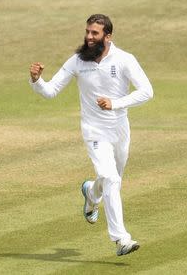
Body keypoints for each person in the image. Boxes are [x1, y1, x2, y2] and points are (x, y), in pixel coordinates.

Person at [29, 14, 153, 256]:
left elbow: (147, 91)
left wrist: (115, 103)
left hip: (119, 129)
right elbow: (51, 91)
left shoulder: (125, 59)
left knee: (110, 180)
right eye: (87, 32)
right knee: (111, 179)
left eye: (94, 33)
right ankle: (121, 239)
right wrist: (36, 80)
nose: (88, 37)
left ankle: (90, 192)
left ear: (108, 36)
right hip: (94, 131)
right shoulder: (77, 61)